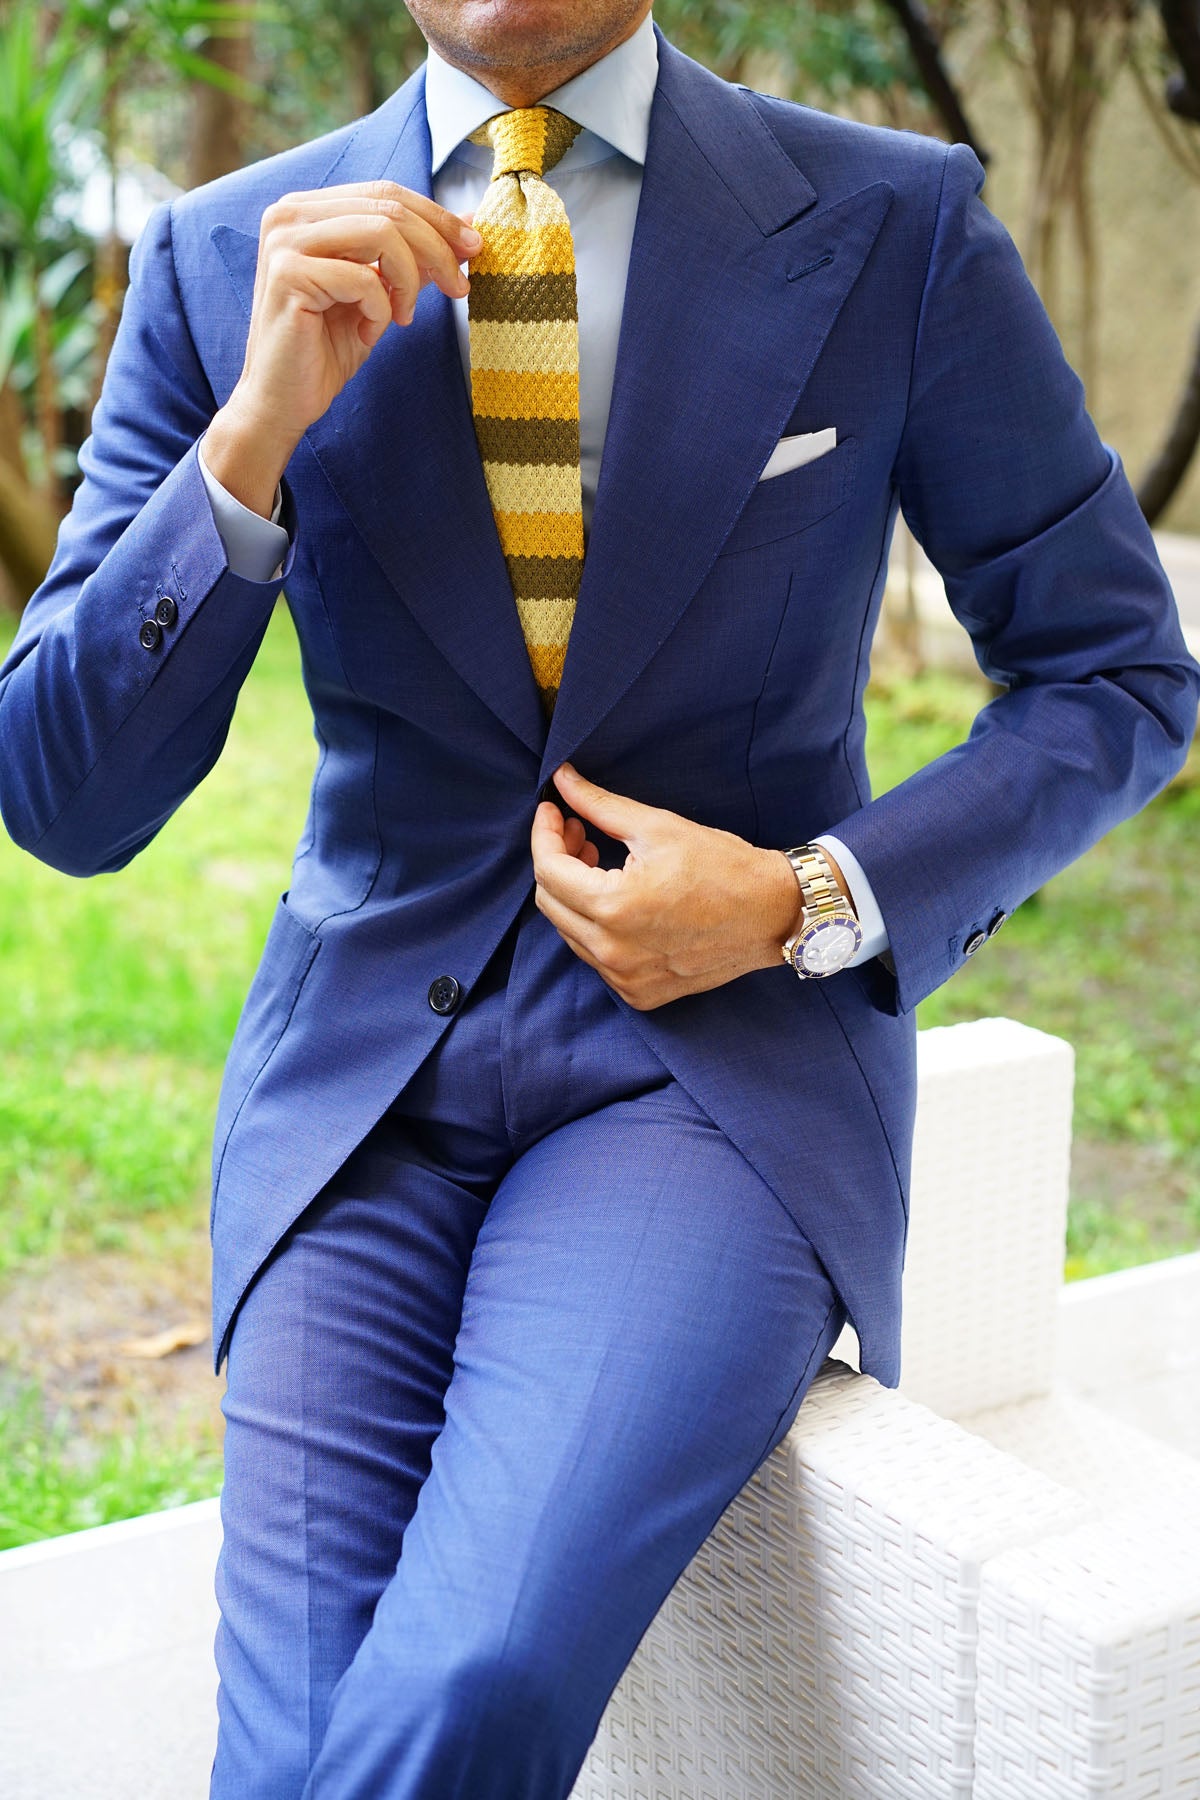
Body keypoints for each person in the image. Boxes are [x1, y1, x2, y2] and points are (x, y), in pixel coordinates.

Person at [1, 1, 1196, 1793]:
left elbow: (1117, 673)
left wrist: (808, 895)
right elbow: (64, 800)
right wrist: (248, 440)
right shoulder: (217, 259)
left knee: (464, 1690)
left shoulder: (891, 222)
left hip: (710, 1082)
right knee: (299, 1737)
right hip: (359, 1097)